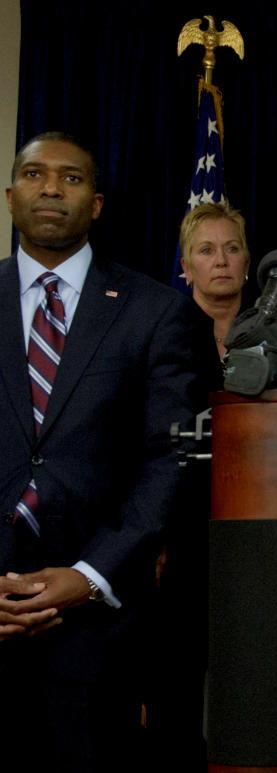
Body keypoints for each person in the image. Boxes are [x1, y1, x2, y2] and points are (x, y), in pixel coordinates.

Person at [0, 132, 209, 770]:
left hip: (100, 624)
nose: (52, 189)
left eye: (71, 178)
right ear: (11, 196)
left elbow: (168, 459)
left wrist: (89, 577)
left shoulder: (155, 312)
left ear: (96, 203)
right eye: (35, 175)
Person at [179, 201, 250, 359]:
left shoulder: (269, 329)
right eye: (207, 250)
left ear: (246, 264)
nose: (221, 261)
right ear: (187, 269)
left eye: (232, 249)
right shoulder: (171, 331)